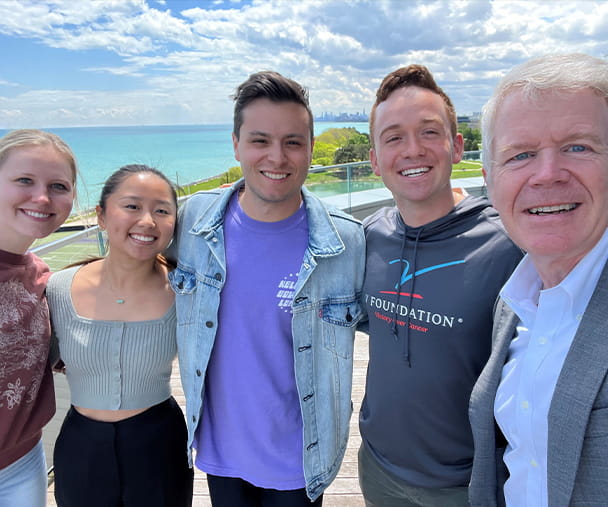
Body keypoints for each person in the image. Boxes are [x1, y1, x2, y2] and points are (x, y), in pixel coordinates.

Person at [168, 70, 365, 506]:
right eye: (260, 140)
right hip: (220, 455)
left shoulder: (347, 242)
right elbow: (130, 259)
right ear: (236, 144)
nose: (277, 157)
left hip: (301, 461)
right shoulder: (193, 224)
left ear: (311, 149)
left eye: (293, 142)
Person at [357, 64, 522, 507]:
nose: (412, 150)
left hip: (466, 482)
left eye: (429, 132)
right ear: (374, 159)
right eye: (393, 137)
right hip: (377, 467)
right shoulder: (369, 236)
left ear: (457, 146)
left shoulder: (508, 244)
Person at [468, 53, 608, 507]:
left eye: (578, 147)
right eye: (520, 155)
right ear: (490, 180)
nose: (546, 174)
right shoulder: (514, 302)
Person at [46, 165, 193, 507]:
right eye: (131, 206)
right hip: (81, 446)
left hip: (159, 441)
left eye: (162, 211)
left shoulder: (185, 291)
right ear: (100, 215)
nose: (147, 221)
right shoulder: (57, 288)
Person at [0, 129, 77, 507]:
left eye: (59, 185)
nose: (43, 197)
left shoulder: (42, 279)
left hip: (21, 463)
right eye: (24, 180)